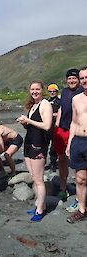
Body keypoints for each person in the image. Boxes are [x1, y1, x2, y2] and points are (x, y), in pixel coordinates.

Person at [17, 81, 52, 222]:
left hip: (39, 144)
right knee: (33, 176)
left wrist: (29, 121)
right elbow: (33, 126)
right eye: (32, 89)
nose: (35, 91)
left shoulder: (45, 104)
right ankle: (40, 204)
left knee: (38, 180)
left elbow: (47, 125)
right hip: (29, 143)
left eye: (37, 89)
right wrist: (25, 123)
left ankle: (40, 210)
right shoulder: (34, 105)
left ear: (42, 90)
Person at [54, 69, 83, 203]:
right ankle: (63, 187)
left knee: (79, 163)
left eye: (74, 78)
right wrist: (57, 125)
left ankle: (80, 194)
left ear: (79, 80)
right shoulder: (64, 92)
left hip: (77, 132)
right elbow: (61, 108)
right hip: (62, 130)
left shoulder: (83, 92)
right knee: (62, 160)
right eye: (69, 78)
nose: (72, 81)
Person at [66, 67, 87, 223]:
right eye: (82, 78)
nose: (84, 80)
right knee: (80, 178)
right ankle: (81, 209)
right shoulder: (76, 99)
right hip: (79, 141)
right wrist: (69, 143)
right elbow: (74, 121)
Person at [46, 84, 60, 172]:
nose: (52, 93)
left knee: (54, 146)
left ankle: (53, 163)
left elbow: (62, 112)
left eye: (54, 91)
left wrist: (52, 114)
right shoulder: (47, 101)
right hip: (47, 126)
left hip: (56, 126)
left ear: (57, 92)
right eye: (50, 91)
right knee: (44, 144)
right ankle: (43, 163)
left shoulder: (60, 101)